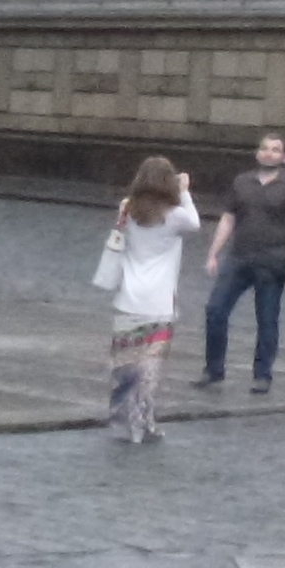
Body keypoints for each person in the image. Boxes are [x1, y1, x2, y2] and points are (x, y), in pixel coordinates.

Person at [198, 131, 285, 393]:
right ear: (257, 153)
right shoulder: (241, 182)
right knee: (215, 310)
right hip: (238, 258)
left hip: (272, 263)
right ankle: (213, 370)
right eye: (264, 148)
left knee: (267, 319)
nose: (269, 153)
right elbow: (228, 220)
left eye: (275, 149)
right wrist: (213, 253)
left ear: (284, 157)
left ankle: (262, 375)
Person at [106, 157, 200, 445]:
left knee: (125, 365)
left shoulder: (127, 208)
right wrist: (185, 191)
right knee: (149, 368)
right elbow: (195, 223)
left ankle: (123, 422)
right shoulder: (175, 216)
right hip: (159, 302)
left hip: (128, 298)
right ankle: (144, 423)